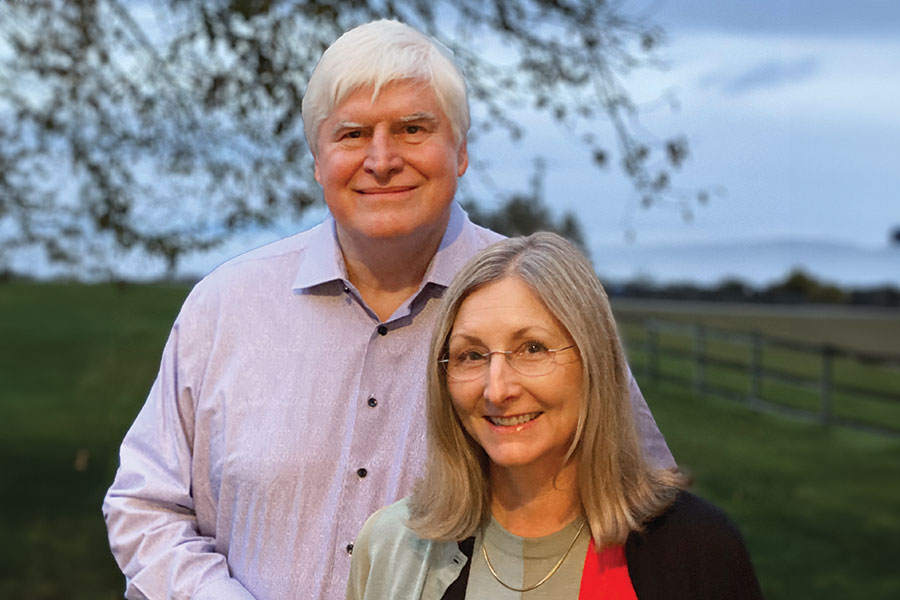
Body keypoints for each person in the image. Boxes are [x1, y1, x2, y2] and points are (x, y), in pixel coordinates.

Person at [103, 20, 675, 600]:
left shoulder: (541, 301)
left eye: (412, 128)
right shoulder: (224, 306)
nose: (381, 160)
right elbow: (145, 505)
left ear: (462, 151)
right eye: (352, 135)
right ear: (316, 160)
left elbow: (639, 500)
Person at [346, 232, 762, 600]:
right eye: (471, 355)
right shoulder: (390, 545)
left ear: (593, 361)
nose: (497, 389)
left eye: (532, 349)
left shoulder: (696, 549)